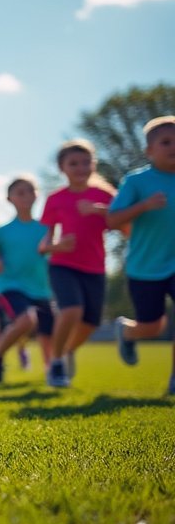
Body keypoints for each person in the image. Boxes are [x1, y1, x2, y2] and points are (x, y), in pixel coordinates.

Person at [109, 116, 175, 395]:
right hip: (145, 267)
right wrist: (144, 206)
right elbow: (112, 220)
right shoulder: (137, 181)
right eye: (166, 142)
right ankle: (128, 332)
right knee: (153, 326)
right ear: (149, 150)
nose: (173, 147)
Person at [41, 140, 114, 387]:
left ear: (94, 164)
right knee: (72, 309)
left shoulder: (106, 195)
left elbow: (125, 225)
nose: (81, 167)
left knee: (90, 323)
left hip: (95, 267)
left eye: (86, 162)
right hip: (63, 264)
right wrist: (56, 246)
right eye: (73, 163)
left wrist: (99, 210)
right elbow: (43, 245)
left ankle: (67, 351)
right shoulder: (55, 199)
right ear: (62, 168)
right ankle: (56, 364)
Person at [0, 177, 57, 384]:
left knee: (48, 331)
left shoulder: (45, 229)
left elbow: (52, 253)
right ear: (9, 199)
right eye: (20, 193)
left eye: (30, 191)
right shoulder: (3, 232)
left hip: (40, 287)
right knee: (27, 320)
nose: (26, 196)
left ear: (37, 195)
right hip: (9, 284)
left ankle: (52, 370)